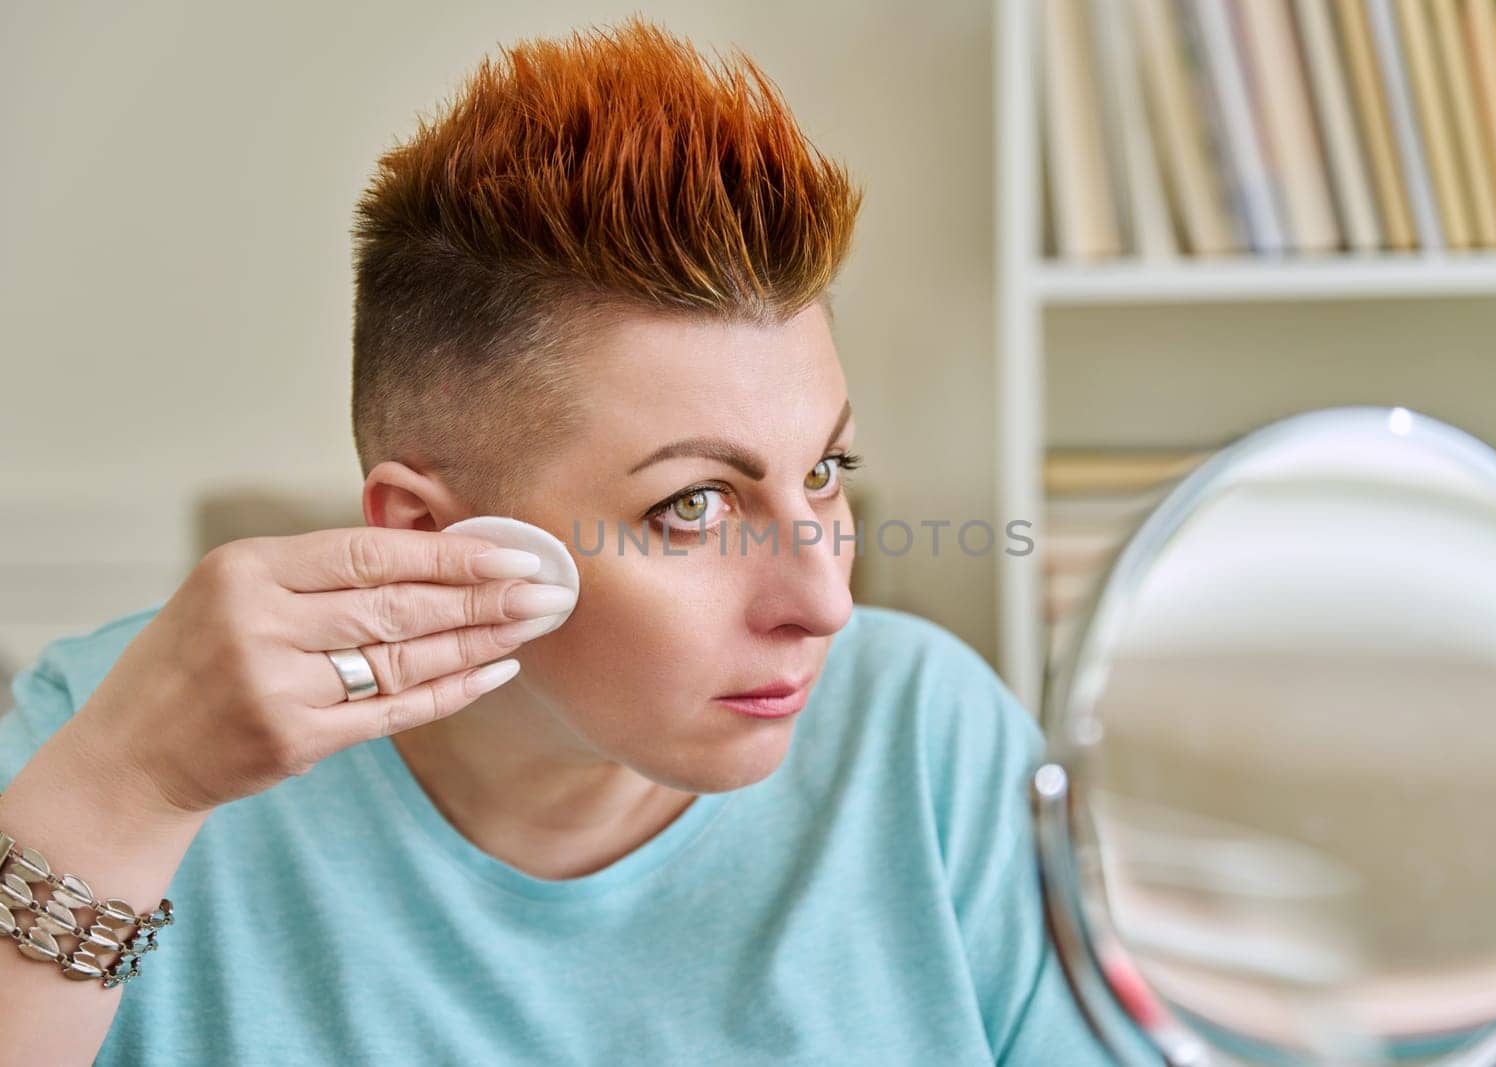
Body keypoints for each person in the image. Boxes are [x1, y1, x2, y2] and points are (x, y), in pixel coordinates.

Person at [0, 19, 1110, 1065]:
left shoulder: (927, 744)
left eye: (824, 472)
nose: (824, 601)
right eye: (693, 504)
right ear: (432, 535)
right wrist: (122, 795)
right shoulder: (109, 740)